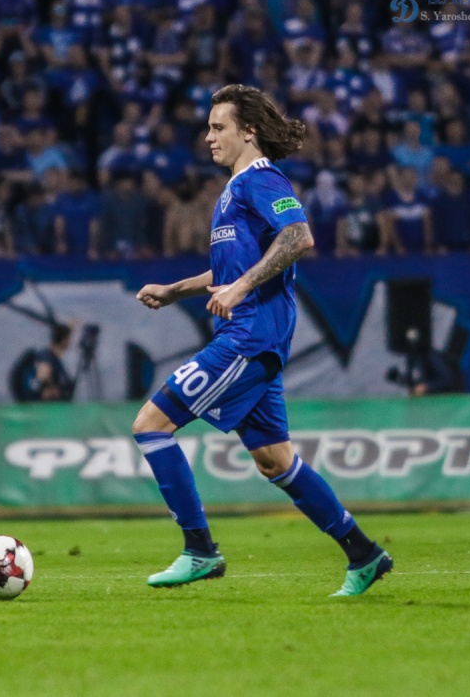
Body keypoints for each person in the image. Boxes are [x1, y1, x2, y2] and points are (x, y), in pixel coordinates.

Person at [133, 84, 392, 596]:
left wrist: (242, 288)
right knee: (275, 460)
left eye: (218, 127)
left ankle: (200, 550)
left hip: (248, 337)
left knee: (150, 425)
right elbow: (233, 269)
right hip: (256, 340)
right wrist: (176, 290)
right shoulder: (233, 191)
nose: (209, 137)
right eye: (208, 128)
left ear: (248, 131)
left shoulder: (261, 179)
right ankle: (364, 554)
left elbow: (298, 236)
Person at [31, 323, 75, 402]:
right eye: (68, 339)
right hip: (48, 406)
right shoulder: (45, 356)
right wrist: (52, 388)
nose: (70, 342)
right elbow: (43, 375)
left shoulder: (56, 359)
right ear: (64, 340)